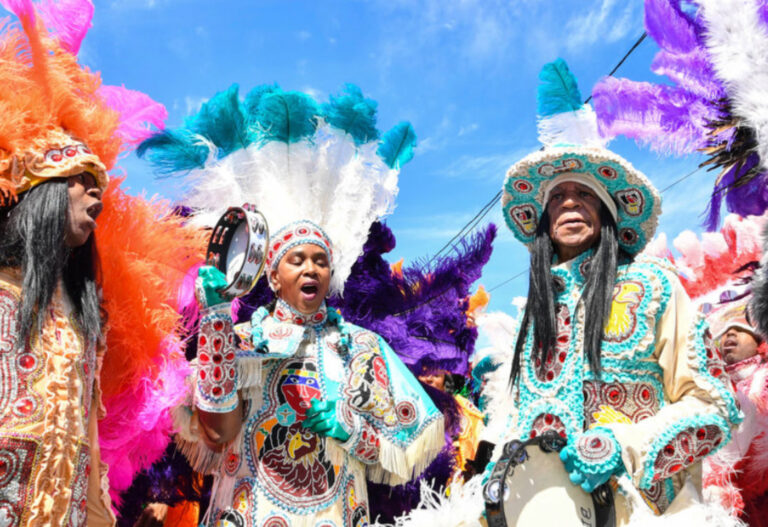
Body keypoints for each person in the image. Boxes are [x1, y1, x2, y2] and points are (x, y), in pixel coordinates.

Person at [485, 59, 742, 524]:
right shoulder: (536, 312)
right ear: (543, 222)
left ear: (608, 213)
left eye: (584, 195)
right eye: (558, 196)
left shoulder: (654, 286)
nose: (569, 203)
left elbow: (714, 405)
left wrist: (624, 447)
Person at [704, 299, 768, 526]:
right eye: (725, 332)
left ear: (760, 341)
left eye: (740, 330)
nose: (730, 334)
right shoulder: (707, 387)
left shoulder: (765, 377)